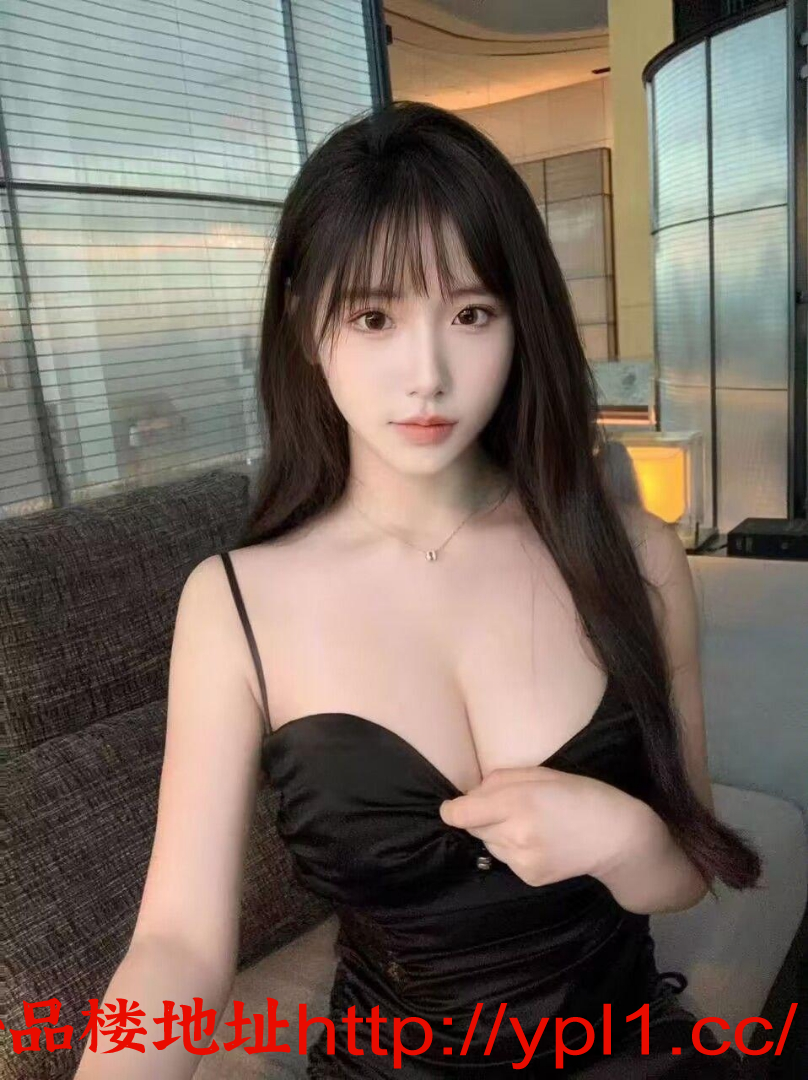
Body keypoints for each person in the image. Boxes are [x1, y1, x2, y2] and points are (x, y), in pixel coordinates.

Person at [76, 101, 761, 1079]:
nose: (427, 375)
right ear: (305, 325)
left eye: (471, 314)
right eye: (374, 318)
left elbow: (688, 872)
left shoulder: (634, 557)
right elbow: (177, 947)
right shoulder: (234, 606)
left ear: (521, 320)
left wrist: (622, 836)